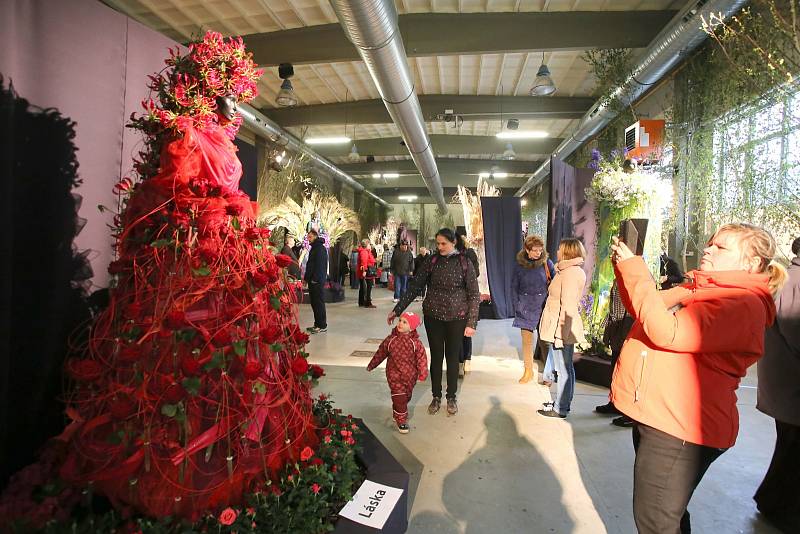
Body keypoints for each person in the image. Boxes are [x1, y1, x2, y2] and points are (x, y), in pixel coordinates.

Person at [58, 32, 318, 519]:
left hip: (227, 257)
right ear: (208, 86)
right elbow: (170, 193)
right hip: (195, 254)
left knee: (231, 352)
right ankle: (180, 455)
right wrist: (213, 212)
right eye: (228, 91)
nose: (234, 103)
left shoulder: (222, 134)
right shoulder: (187, 134)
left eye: (238, 94)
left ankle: (222, 440)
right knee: (184, 350)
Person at [610, 222, 785, 534]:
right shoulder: (701, 288)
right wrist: (626, 269)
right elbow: (645, 309)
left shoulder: (740, 303)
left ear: (750, 263)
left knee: (656, 522)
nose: (707, 249)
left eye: (721, 248)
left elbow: (668, 332)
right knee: (667, 515)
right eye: (710, 243)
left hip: (680, 427)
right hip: (664, 418)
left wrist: (635, 271)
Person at [388, 228, 480, 417]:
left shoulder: (464, 262)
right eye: (437, 244)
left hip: (457, 318)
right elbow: (415, 287)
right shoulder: (432, 261)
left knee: (453, 358)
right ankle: (436, 396)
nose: (440, 247)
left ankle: (451, 396)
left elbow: (473, 294)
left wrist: (471, 323)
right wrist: (397, 309)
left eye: (443, 244)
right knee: (436, 357)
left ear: (453, 242)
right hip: (433, 317)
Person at [754, 236, 800, 533]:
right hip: (792, 385)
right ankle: (782, 511)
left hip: (784, 384)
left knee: (789, 449)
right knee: (793, 453)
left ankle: (771, 501)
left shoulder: (790, 277)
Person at [537, 238, 587, 419]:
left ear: (567, 251)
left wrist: (560, 335)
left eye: (559, 248)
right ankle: (563, 404)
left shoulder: (571, 274)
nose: (556, 251)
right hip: (560, 327)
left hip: (562, 329)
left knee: (564, 369)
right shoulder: (565, 271)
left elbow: (568, 306)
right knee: (566, 368)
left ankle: (560, 408)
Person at [366, 312, 429, 434]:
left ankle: (397, 411)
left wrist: (422, 373)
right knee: (399, 397)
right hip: (393, 374)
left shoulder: (416, 343)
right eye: (400, 320)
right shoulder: (391, 340)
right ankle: (401, 421)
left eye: (405, 322)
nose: (400, 323)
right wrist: (372, 365)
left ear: (412, 327)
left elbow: (422, 359)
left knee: (405, 397)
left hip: (410, 376)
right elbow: (380, 353)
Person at [510, 235, 555, 384]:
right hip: (525, 307)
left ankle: (548, 374)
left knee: (545, 341)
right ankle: (528, 371)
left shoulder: (547, 263)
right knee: (527, 342)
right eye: (535, 250)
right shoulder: (519, 265)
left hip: (543, 307)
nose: (538, 253)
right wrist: (517, 305)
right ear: (527, 250)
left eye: (540, 250)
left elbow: (555, 284)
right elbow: (513, 287)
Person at [594, 279, 636, 425]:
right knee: (616, 370)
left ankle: (626, 410)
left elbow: (619, 311)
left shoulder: (628, 278)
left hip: (626, 330)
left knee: (624, 372)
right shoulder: (621, 277)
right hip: (621, 330)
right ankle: (615, 403)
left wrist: (612, 331)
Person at [456, 231, 480, 377]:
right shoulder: (469, 254)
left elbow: (474, 273)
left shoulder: (464, 256)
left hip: (463, 297)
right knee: (465, 332)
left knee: (461, 332)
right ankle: (466, 361)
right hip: (465, 297)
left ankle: (462, 362)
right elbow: (476, 273)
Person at [304, 229, 328, 333]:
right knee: (314, 303)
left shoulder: (319, 249)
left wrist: (315, 279)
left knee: (318, 303)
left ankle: (322, 325)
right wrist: (306, 279)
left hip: (316, 281)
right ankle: (317, 323)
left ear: (315, 236)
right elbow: (310, 265)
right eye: (307, 237)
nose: (308, 239)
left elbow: (319, 266)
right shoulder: (314, 248)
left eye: (310, 237)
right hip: (313, 280)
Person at [357, 238, 376, 308]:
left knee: (363, 287)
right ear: (367, 244)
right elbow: (364, 261)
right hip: (368, 272)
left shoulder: (364, 251)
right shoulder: (364, 252)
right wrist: (364, 270)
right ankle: (368, 302)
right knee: (368, 287)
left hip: (365, 271)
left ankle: (362, 302)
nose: (370, 245)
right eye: (369, 244)